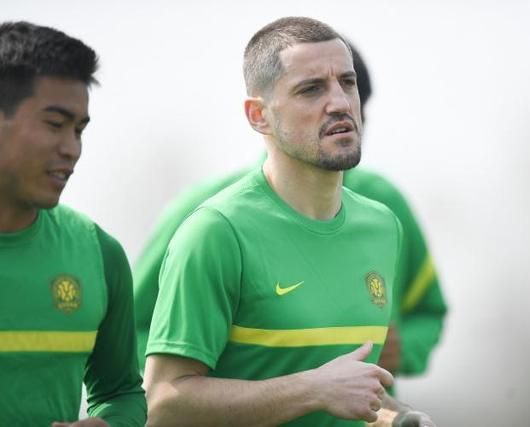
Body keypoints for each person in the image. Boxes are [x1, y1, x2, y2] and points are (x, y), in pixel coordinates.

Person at [143, 16, 436, 427]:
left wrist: (398, 417)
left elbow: (349, 391)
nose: (339, 103)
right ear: (258, 115)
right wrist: (313, 389)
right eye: (311, 89)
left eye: (347, 83)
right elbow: (165, 403)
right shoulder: (215, 231)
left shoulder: (383, 225)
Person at [0, 21, 146, 426]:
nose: (72, 150)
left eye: (79, 130)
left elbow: (122, 393)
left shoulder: (99, 253)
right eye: (54, 124)